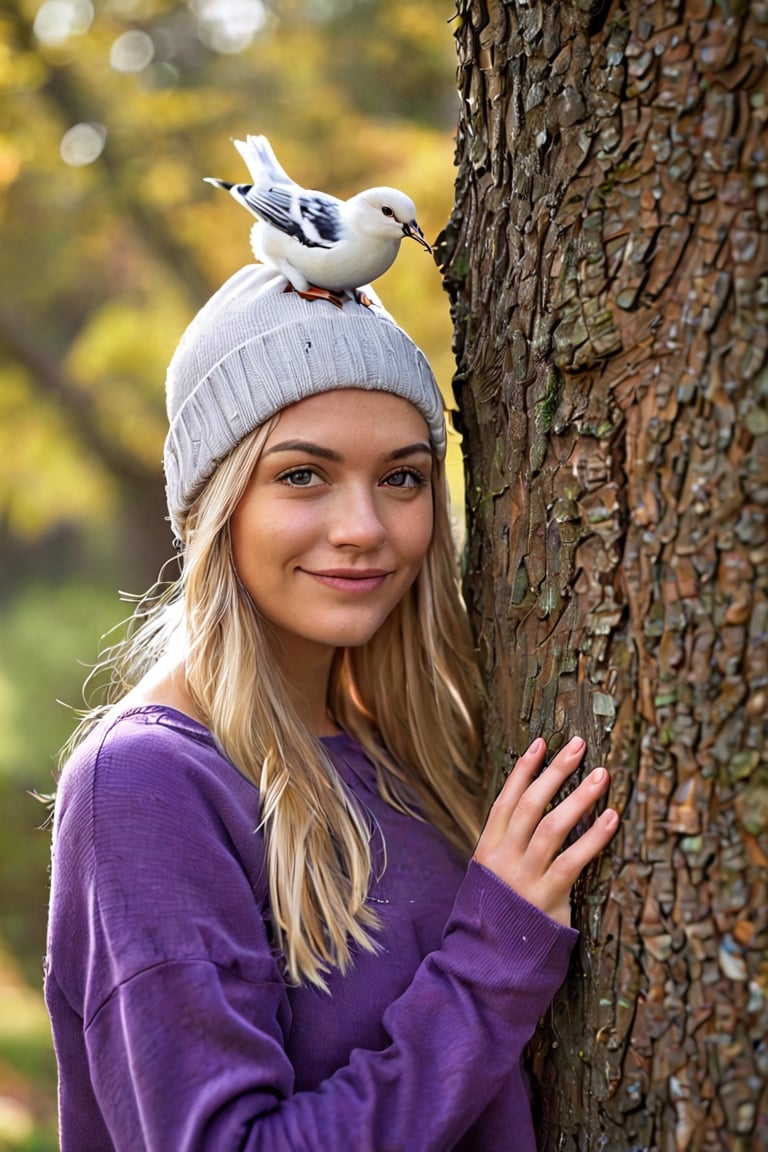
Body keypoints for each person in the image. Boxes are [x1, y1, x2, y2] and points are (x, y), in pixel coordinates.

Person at [44, 263, 619, 1151]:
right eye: (304, 475)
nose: (364, 527)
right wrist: (494, 955)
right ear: (215, 504)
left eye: (401, 478)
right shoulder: (146, 785)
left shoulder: (407, 754)